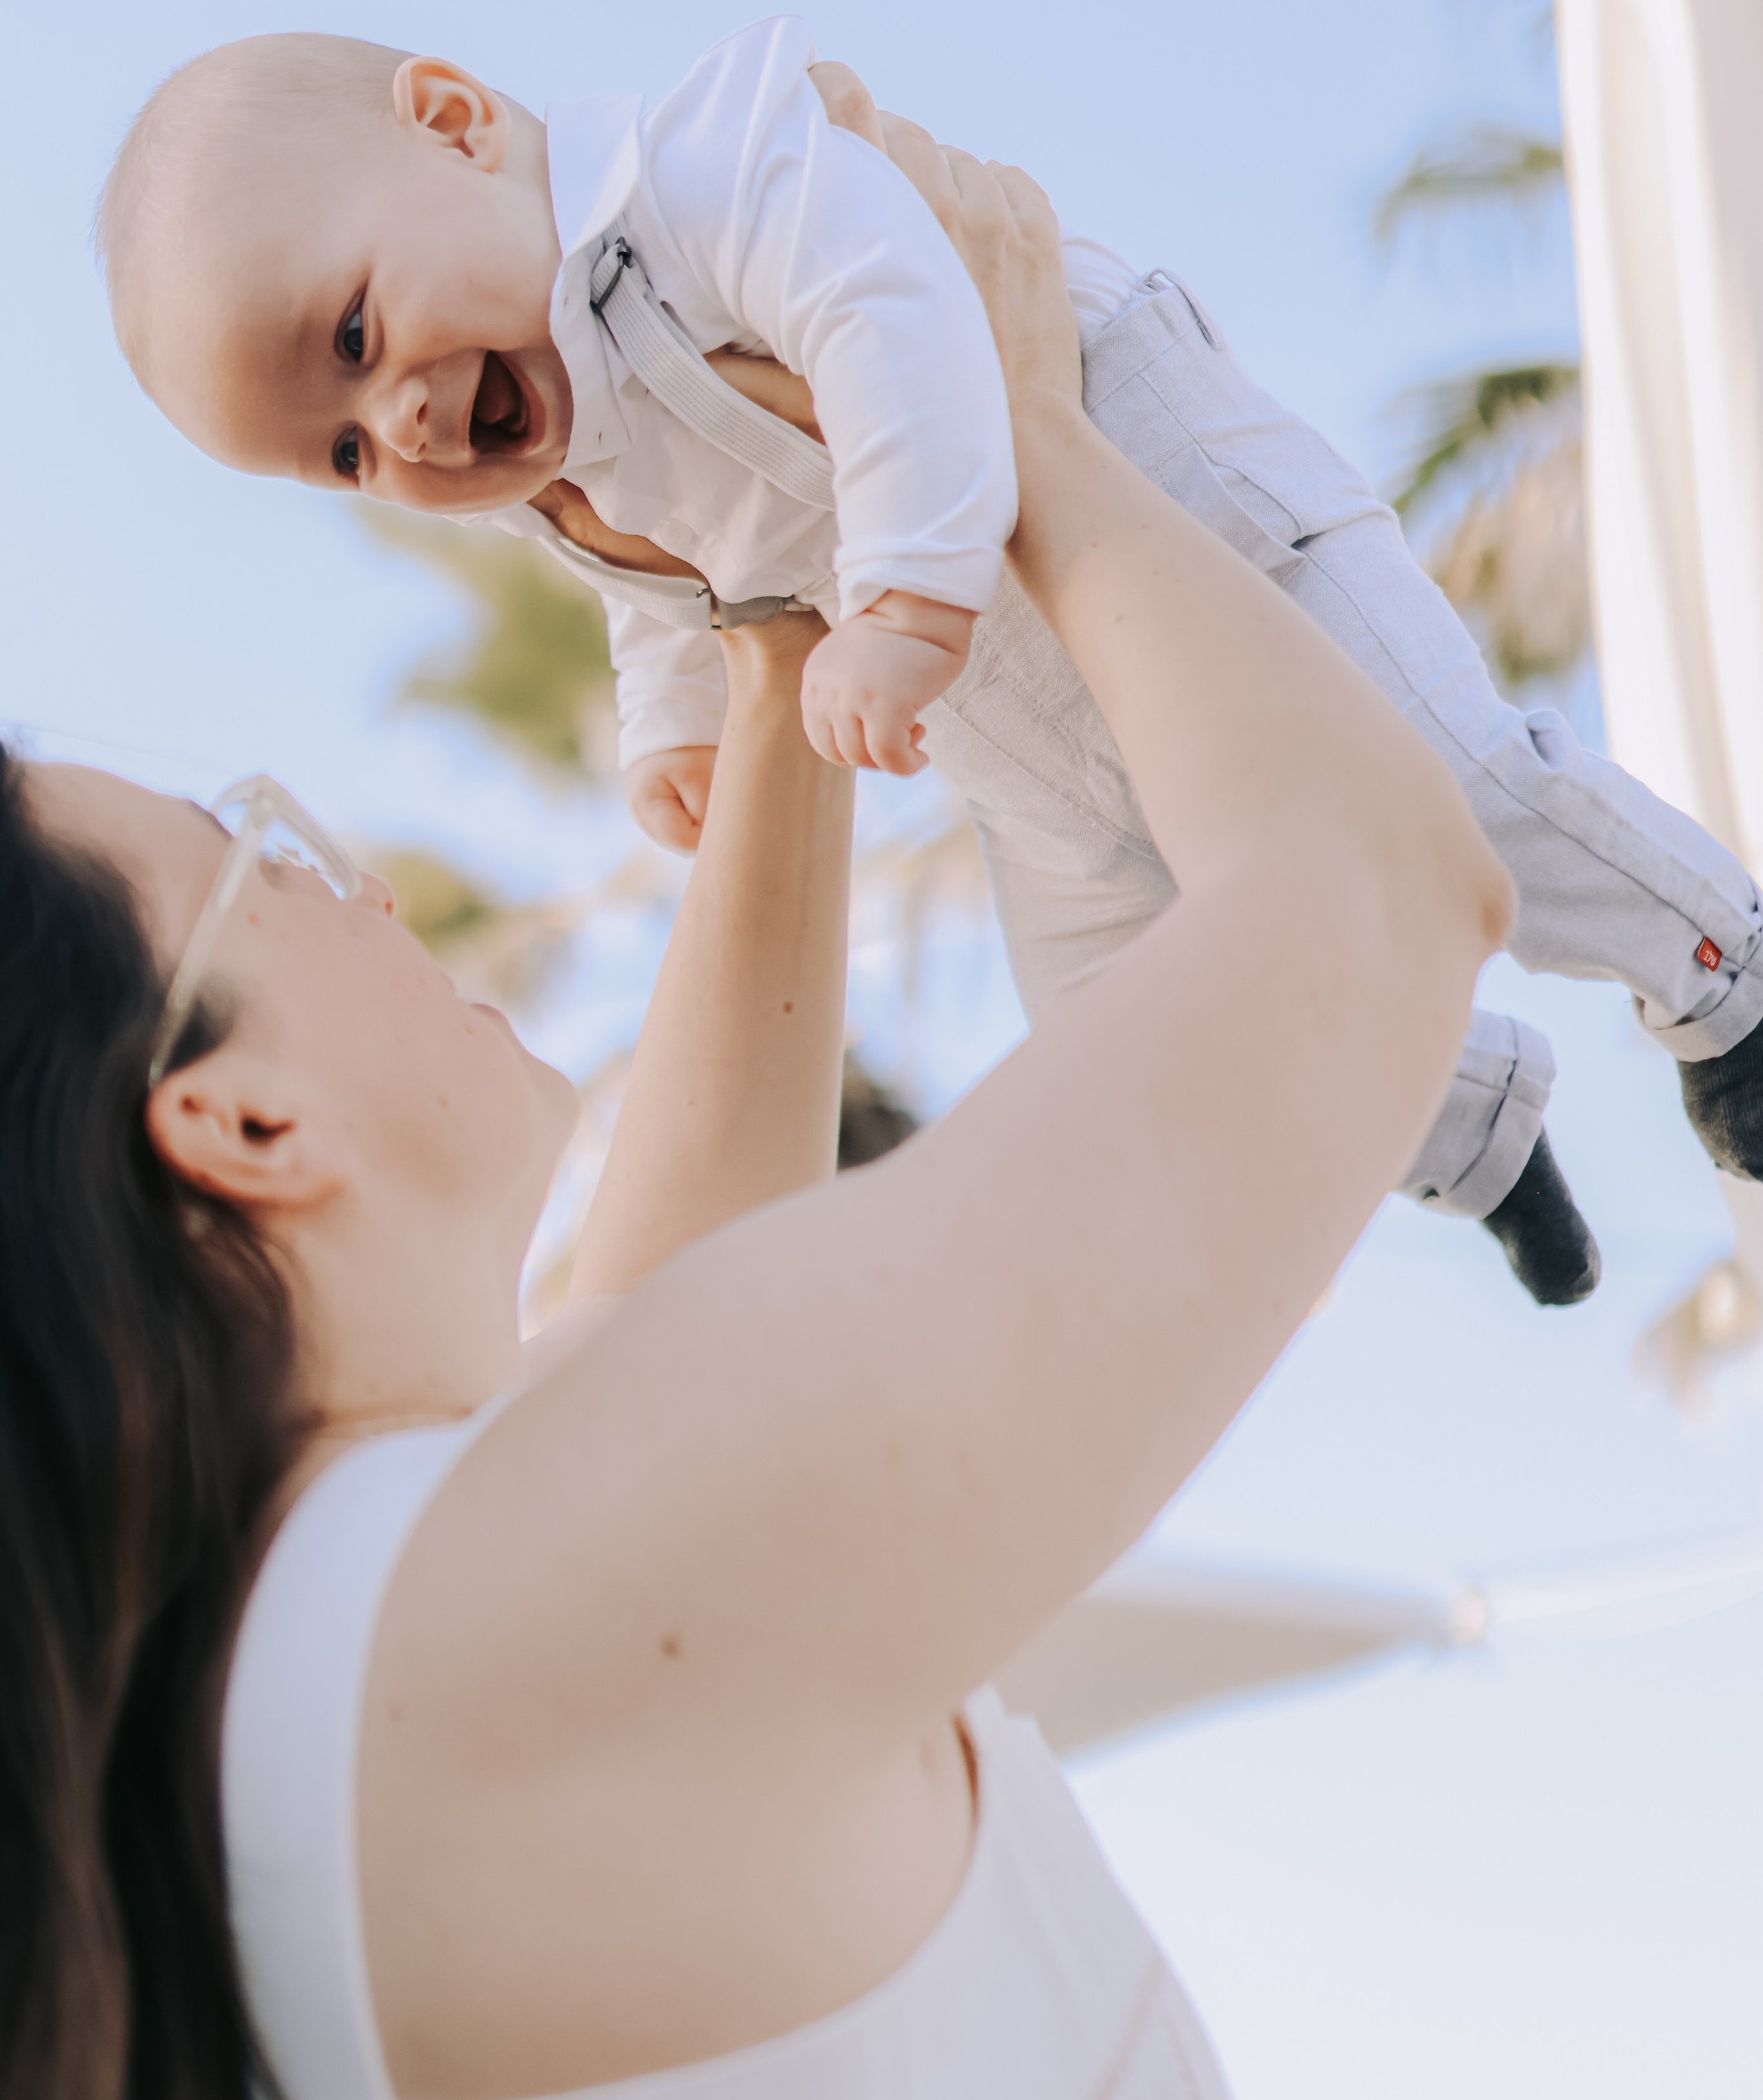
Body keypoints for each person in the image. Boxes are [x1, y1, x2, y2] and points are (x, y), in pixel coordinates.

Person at [1, 141, 1508, 2099]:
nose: (359, 883)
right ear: (242, 1126)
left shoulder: (299, 1726)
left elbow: (670, 1295)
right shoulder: (496, 1633)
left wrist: (775, 593)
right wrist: (1016, 420)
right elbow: (1378, 892)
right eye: (261, 857)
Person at [98, 19, 1763, 1297]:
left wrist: (896, 595)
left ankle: (1718, 982)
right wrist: (668, 724)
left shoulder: (701, 170)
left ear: (455, 125)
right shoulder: (560, 471)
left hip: (1160, 505)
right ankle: (1475, 1131)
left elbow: (890, 304)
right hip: (1010, 736)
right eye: (338, 455)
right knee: (1146, 1054)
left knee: (1445, 792)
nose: (391, 424)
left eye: (353, 338)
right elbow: (662, 577)